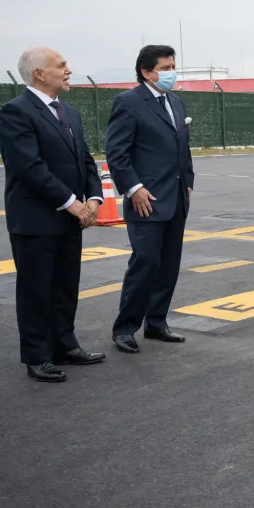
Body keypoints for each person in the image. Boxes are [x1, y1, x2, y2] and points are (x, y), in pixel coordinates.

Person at [0, 47, 106, 383]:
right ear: (39, 74)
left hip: (71, 217)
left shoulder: (68, 112)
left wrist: (95, 199)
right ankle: (37, 355)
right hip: (36, 219)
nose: (69, 70)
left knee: (64, 285)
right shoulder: (15, 112)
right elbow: (29, 167)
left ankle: (64, 344)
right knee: (35, 289)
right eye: (61, 65)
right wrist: (72, 202)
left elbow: (85, 160)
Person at [105, 45, 194, 353]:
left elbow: (183, 146)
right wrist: (133, 188)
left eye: (172, 66)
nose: (171, 73)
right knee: (145, 263)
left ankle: (156, 323)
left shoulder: (176, 102)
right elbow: (117, 153)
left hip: (177, 197)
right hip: (146, 198)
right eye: (165, 68)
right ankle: (125, 328)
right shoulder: (128, 102)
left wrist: (189, 181)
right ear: (146, 71)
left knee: (168, 265)